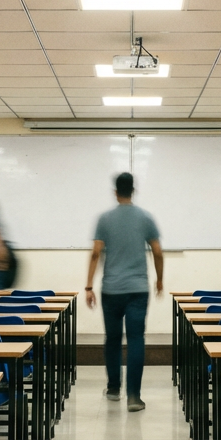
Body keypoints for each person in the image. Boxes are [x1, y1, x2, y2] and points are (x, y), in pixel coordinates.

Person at [85, 172, 164, 413]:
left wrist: (88, 286)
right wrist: (160, 280)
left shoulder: (104, 219)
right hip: (138, 289)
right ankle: (134, 397)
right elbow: (157, 252)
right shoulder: (146, 217)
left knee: (112, 339)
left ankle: (113, 388)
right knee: (136, 339)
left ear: (115, 192)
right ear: (134, 191)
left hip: (111, 290)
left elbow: (95, 253)